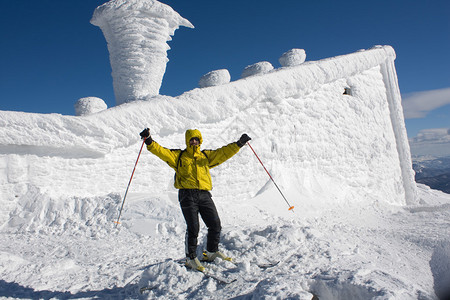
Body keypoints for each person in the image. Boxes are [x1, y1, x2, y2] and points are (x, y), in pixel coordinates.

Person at [139, 128, 251, 271]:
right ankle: (191, 258)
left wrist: (239, 144)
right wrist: (149, 140)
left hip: (204, 194)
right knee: (193, 228)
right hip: (187, 195)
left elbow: (223, 153)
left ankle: (211, 252)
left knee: (215, 224)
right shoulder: (179, 156)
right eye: (191, 139)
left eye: (196, 139)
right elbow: (161, 151)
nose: (193, 141)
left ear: (200, 141)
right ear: (187, 141)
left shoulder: (205, 156)